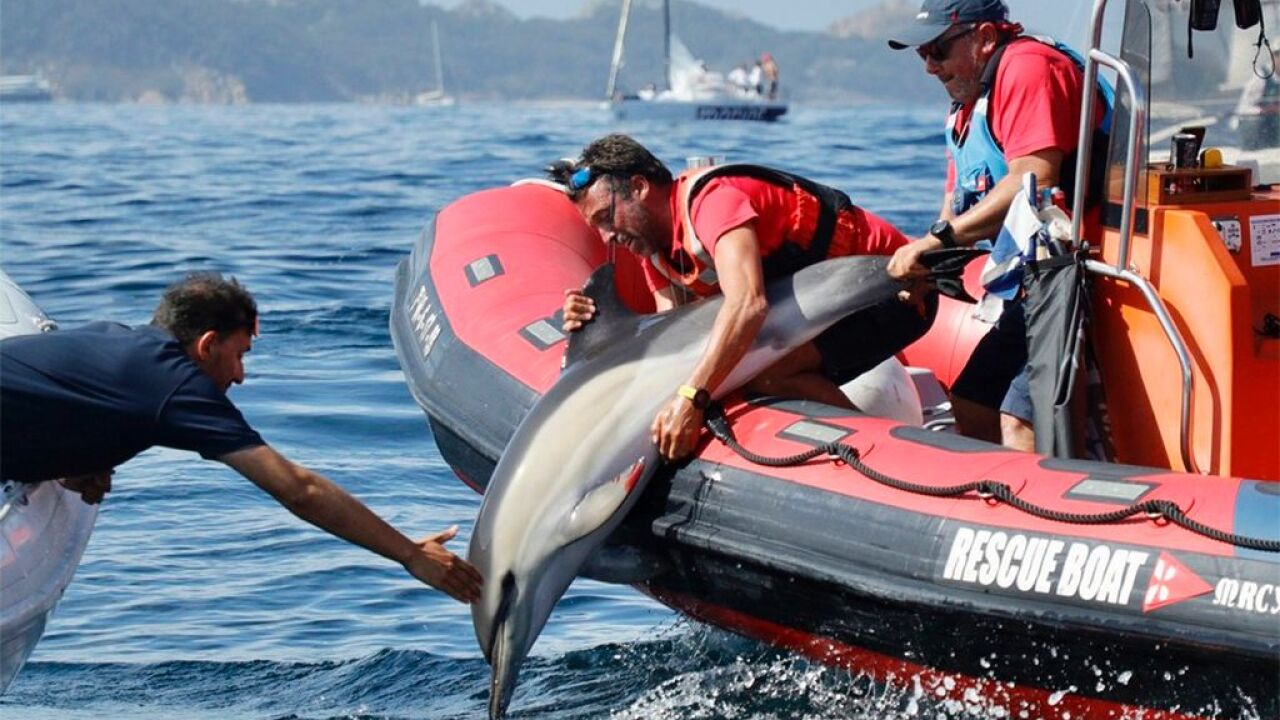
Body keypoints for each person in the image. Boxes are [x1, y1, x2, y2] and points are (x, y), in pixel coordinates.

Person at [0, 272, 483, 604]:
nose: (241, 376)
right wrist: (410, 554)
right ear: (207, 345)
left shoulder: (117, 340)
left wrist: (82, 456)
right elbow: (298, 489)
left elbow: (57, 394)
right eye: (240, 355)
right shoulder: (176, 385)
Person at [549, 134, 934, 462]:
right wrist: (595, 318)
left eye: (606, 218)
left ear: (639, 187)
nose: (607, 237)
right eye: (596, 228)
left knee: (767, 375)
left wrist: (692, 398)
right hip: (820, 314)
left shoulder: (712, 203)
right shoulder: (656, 252)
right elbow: (673, 337)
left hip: (892, 292)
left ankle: (883, 457)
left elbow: (749, 305)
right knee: (725, 376)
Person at [884, 0, 1109, 451]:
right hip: (1031, 283)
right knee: (973, 402)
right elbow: (954, 204)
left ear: (985, 37)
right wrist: (930, 267)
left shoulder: (1029, 69)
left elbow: (1033, 178)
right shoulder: (965, 107)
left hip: (1072, 279)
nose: (929, 66)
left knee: (1019, 419)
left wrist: (937, 241)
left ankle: (1038, 489)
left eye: (937, 50)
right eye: (922, 53)